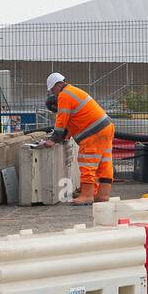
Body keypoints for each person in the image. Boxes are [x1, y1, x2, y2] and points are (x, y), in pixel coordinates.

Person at [42, 72, 114, 205]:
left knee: (87, 162)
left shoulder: (64, 95)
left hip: (93, 133)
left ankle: (87, 195)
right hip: (106, 127)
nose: (54, 93)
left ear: (58, 85)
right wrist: (64, 136)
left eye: (53, 90)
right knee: (104, 162)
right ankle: (102, 196)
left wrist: (53, 140)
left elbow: (61, 121)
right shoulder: (73, 92)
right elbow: (71, 123)